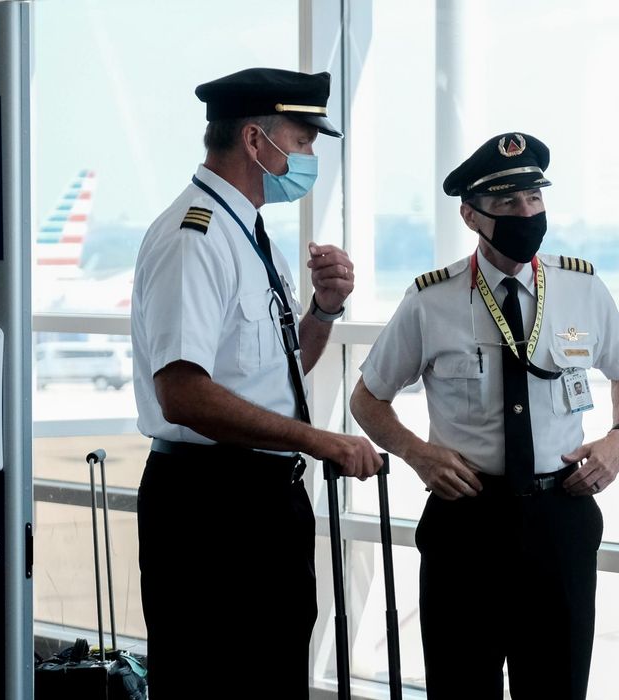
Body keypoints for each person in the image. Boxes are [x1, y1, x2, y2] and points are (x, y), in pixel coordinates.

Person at [350, 132, 619, 699]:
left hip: (561, 515)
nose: (526, 214)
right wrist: (417, 453)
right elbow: (368, 397)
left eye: (534, 199)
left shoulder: (581, 287)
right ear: (471, 215)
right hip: (467, 523)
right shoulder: (429, 300)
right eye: (507, 203)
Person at [130, 67, 382, 698]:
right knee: (217, 673)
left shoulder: (244, 230)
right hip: (210, 507)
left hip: (260, 502)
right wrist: (317, 439)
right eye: (302, 143)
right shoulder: (196, 236)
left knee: (272, 666)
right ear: (254, 140)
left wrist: (323, 310)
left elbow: (273, 372)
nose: (309, 159)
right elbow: (182, 392)